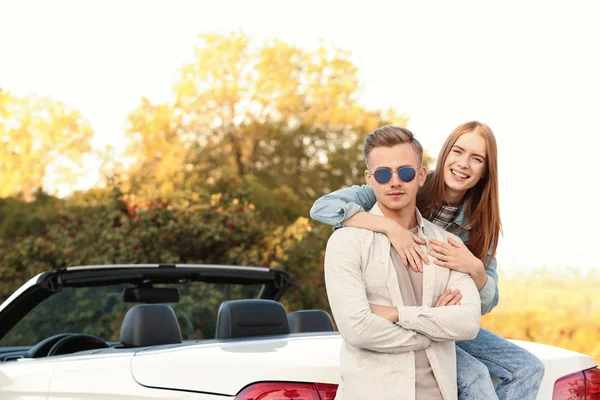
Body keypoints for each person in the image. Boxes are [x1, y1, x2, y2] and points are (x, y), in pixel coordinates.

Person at [312, 121, 545, 399]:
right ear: (444, 154)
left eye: (476, 158)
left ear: (485, 170)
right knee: (474, 376)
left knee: (528, 368)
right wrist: (391, 228)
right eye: (458, 152)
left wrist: (474, 268)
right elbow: (323, 207)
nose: (463, 164)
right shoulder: (403, 183)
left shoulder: (482, 221)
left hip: (447, 318)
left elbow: (482, 307)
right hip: (419, 320)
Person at [324, 125, 481, 400]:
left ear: (421, 176)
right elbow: (358, 329)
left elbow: (467, 322)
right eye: (383, 174)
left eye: (405, 172)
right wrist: (434, 333)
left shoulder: (446, 245)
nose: (394, 182)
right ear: (369, 179)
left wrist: (396, 314)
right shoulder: (346, 242)